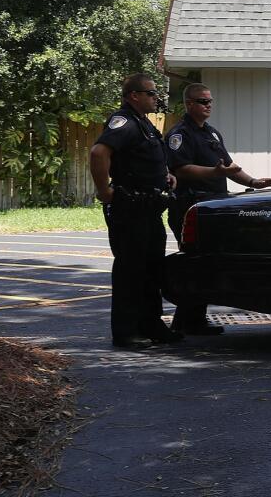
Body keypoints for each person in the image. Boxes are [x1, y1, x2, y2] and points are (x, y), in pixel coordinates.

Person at [164, 82, 271, 334]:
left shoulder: (212, 134)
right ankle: (184, 321)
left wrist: (253, 182)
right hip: (189, 207)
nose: (208, 106)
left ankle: (195, 320)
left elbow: (228, 165)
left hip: (212, 208)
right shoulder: (179, 135)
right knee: (192, 263)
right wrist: (214, 171)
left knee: (205, 263)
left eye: (210, 101)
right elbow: (180, 169)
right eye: (203, 102)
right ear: (189, 104)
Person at [89, 74, 181, 349]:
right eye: (151, 94)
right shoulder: (124, 123)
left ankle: (151, 325)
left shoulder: (144, 125)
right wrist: (104, 190)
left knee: (152, 271)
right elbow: (98, 153)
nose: (156, 98)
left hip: (149, 210)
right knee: (131, 272)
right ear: (134, 96)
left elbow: (146, 158)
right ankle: (126, 332)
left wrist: (165, 174)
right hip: (129, 210)